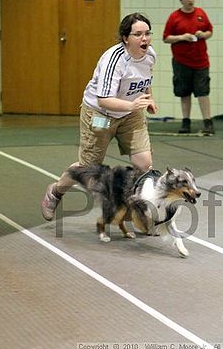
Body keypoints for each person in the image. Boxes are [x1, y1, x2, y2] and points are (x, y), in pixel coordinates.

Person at [42, 12, 158, 220]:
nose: (145, 38)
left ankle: (136, 210)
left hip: (130, 114)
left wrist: (149, 99)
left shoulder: (150, 55)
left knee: (144, 164)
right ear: (125, 38)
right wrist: (132, 104)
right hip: (100, 114)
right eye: (138, 34)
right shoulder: (114, 60)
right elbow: (104, 99)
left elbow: (145, 80)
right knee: (88, 167)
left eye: (148, 33)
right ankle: (55, 192)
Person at [163, 0, 214, 134]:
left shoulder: (201, 14)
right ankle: (186, 122)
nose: (190, 0)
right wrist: (182, 37)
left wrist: (204, 34)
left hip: (201, 61)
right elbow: (166, 38)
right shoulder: (174, 17)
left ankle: (208, 122)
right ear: (181, 0)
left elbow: (210, 30)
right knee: (184, 92)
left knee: (203, 92)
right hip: (181, 61)